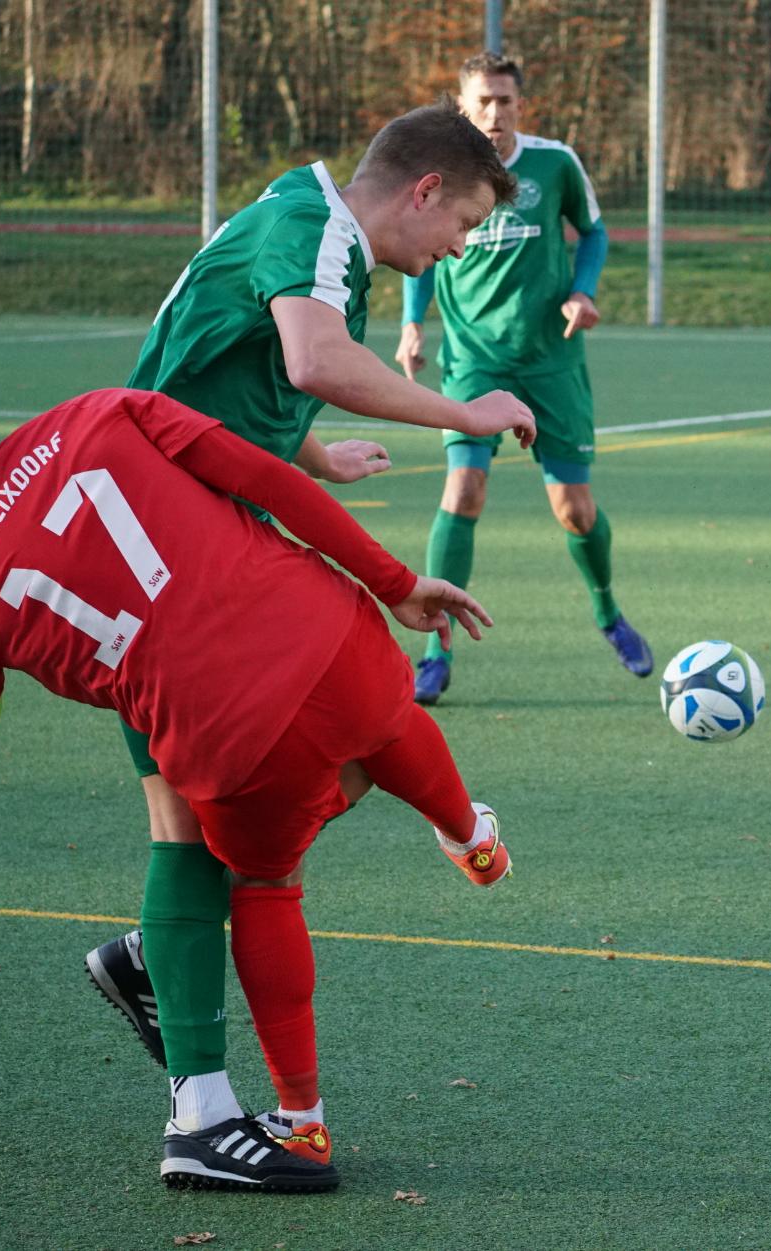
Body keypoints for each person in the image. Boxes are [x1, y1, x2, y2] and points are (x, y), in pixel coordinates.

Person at [0, 372, 513, 1190]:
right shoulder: (100, 408)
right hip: (327, 628)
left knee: (265, 884)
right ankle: (470, 835)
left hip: (224, 744)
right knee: (385, 723)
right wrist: (395, 582)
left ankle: (301, 1125)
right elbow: (265, 478)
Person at [80, 102, 535, 1140]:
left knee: (224, 812)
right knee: (231, 806)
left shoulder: (309, 222)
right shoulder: (314, 227)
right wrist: (468, 411)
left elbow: (224, 382)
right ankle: (200, 1111)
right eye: (460, 226)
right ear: (422, 190)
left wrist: (314, 457)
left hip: (175, 534)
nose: (455, 251)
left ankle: (161, 977)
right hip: (163, 554)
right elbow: (311, 362)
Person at [396, 51, 652, 705]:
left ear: (519, 105)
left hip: (551, 362)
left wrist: (583, 292)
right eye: (482, 101)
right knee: (466, 489)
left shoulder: (554, 163)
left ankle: (608, 612)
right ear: (462, 106)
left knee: (574, 509)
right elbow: (422, 252)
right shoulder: (443, 170)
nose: (494, 113)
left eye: (505, 100)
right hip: (476, 361)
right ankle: (435, 651)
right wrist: (412, 322)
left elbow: (592, 233)